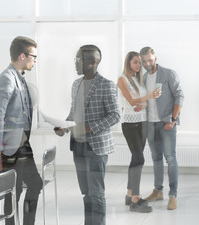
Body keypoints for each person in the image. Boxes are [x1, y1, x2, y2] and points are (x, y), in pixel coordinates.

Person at [54, 45, 120, 225]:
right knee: (86, 192)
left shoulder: (107, 85)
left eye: (78, 60)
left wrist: (89, 127)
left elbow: (115, 115)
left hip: (97, 147)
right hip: (78, 146)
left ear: (93, 62)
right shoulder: (76, 84)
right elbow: (73, 112)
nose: (75, 64)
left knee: (96, 193)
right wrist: (64, 127)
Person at [0, 36, 43, 225]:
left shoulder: (20, 78)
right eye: (33, 56)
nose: (35, 60)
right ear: (22, 56)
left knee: (32, 185)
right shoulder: (7, 78)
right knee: (14, 191)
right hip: (11, 146)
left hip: (22, 143)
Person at [139, 47, 184, 210]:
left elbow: (179, 95)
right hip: (150, 123)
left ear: (155, 58)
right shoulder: (143, 77)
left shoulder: (168, 73)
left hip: (167, 123)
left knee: (170, 158)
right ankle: (158, 191)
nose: (147, 63)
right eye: (144, 61)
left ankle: (173, 195)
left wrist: (173, 119)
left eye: (150, 60)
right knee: (156, 158)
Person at [117, 51, 161, 213]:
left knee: (136, 159)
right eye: (135, 62)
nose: (138, 65)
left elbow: (140, 102)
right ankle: (136, 198)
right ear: (128, 63)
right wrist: (148, 97)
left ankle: (129, 194)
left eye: (139, 63)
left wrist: (144, 104)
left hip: (143, 123)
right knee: (139, 158)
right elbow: (130, 100)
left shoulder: (139, 80)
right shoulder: (122, 79)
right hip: (130, 124)